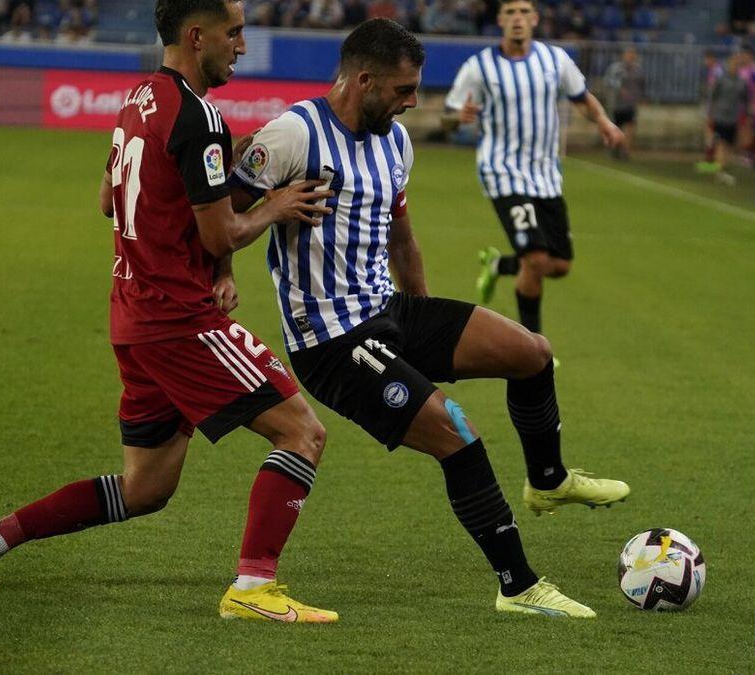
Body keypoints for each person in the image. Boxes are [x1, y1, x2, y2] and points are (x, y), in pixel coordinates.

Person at [0, 0, 344, 624]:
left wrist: (207, 185)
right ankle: (253, 588)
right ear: (197, 35)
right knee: (303, 433)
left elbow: (109, 200)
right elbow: (221, 233)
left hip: (133, 317)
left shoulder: (139, 99)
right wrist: (275, 204)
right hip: (178, 319)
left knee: (145, 488)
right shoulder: (199, 116)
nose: (242, 46)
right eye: (234, 33)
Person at [229, 17, 630, 619]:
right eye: (404, 90)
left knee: (532, 352)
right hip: (333, 341)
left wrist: (426, 319)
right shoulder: (292, 134)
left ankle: (547, 480)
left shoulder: (396, 141)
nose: (414, 102)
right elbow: (219, 219)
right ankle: (519, 587)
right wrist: (229, 264)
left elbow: (401, 236)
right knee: (457, 434)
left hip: (392, 312)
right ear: (364, 81)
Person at [444, 0, 623, 340]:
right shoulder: (479, 67)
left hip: (546, 176)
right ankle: (533, 348)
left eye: (524, 12)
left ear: (535, 19)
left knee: (560, 265)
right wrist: (456, 119)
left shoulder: (555, 60)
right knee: (537, 259)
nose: (518, 19)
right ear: (500, 20)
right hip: (503, 173)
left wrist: (604, 121)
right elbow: (448, 116)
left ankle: (499, 265)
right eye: (510, 12)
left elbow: (581, 97)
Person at [706, 54, 749, 185]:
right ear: (728, 65)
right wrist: (710, 114)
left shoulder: (742, 82)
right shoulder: (721, 79)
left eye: (737, 65)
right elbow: (713, 97)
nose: (735, 67)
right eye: (733, 64)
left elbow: (745, 99)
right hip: (720, 116)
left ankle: (722, 170)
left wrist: (746, 115)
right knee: (721, 143)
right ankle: (719, 172)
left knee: (729, 146)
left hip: (733, 118)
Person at [604, 47, 645, 160]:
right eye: (628, 54)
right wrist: (619, 89)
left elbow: (642, 85)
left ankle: (626, 150)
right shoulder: (616, 69)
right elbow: (608, 81)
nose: (630, 57)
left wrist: (641, 97)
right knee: (616, 126)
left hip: (631, 104)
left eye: (632, 55)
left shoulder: (638, 70)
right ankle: (615, 148)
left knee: (631, 125)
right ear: (623, 55)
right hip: (616, 104)